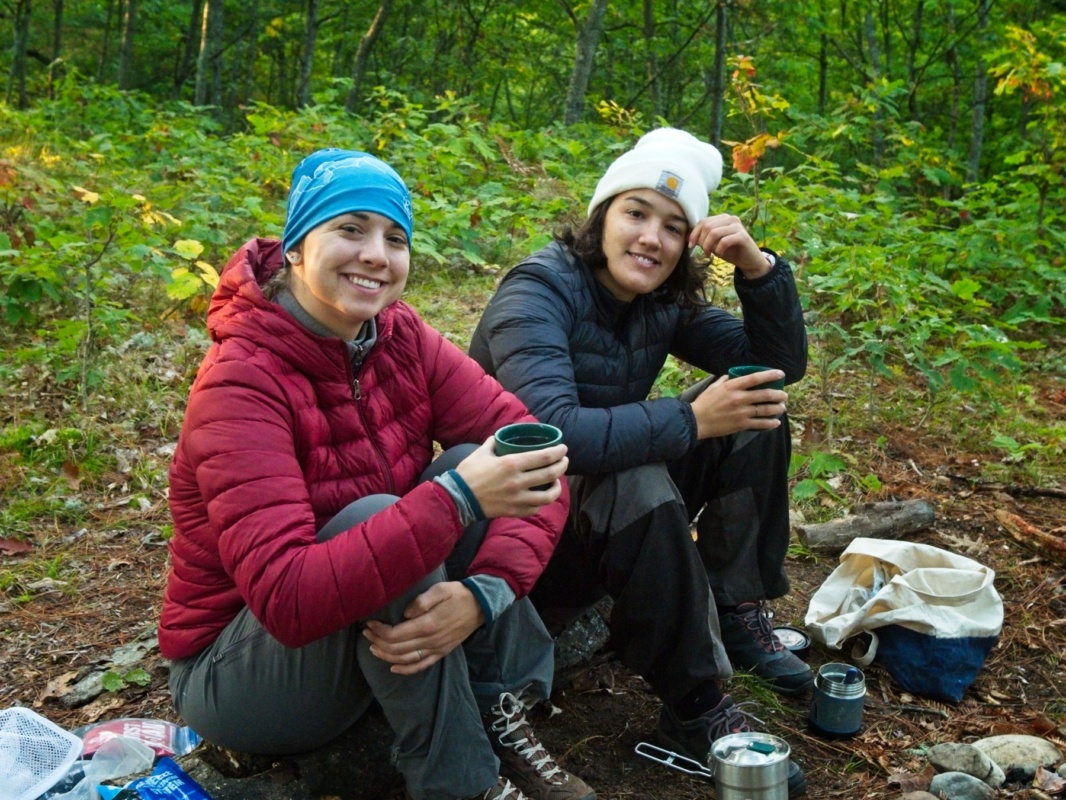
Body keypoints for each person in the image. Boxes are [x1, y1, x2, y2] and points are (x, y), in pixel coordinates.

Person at [159, 148, 596, 800]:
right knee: (412, 505)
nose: (376, 254)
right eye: (351, 228)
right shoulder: (240, 382)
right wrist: (453, 502)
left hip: (362, 621)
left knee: (465, 467)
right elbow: (288, 599)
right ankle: (462, 785)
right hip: (240, 669)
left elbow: (538, 458)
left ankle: (498, 714)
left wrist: (481, 599)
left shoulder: (400, 337)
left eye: (395, 238)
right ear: (299, 245)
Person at [468, 128, 810, 794]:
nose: (651, 238)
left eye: (674, 227)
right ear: (603, 216)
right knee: (639, 475)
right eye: (636, 213)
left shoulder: (658, 301)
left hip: (597, 512)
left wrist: (757, 269)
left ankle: (733, 606)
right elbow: (551, 431)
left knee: (754, 405)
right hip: (519, 544)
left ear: (688, 245)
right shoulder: (537, 291)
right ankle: (696, 704)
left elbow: (778, 366)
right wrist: (689, 419)